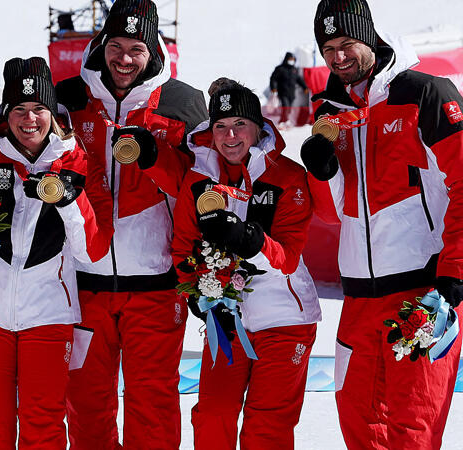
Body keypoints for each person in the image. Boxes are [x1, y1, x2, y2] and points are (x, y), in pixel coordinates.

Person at [301, 0, 463, 448]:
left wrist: (453, 276)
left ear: (369, 36)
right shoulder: (329, 111)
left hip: (421, 290)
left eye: (346, 43)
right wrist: (324, 172)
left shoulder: (426, 94)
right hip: (358, 300)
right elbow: (336, 212)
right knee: (359, 428)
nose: (337, 57)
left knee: (412, 432)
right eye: (327, 47)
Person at [55, 0, 208, 447]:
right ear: (102, 43)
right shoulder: (67, 98)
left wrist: (157, 159)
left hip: (156, 287)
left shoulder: (182, 102)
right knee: (85, 403)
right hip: (84, 285)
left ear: (153, 50)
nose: (123, 58)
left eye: (136, 48)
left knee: (153, 404)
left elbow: (204, 190)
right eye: (115, 45)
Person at [0, 57, 110, 449]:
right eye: (19, 109)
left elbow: (93, 252)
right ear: (5, 113)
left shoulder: (80, 164)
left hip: (49, 313)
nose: (29, 119)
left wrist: (69, 200)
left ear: (53, 113)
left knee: (44, 422)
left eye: (39, 109)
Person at [172, 78, 321, 450]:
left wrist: (251, 241)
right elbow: (181, 248)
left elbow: (287, 257)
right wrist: (196, 293)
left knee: (267, 426)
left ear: (259, 128)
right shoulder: (198, 179)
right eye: (220, 126)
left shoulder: (288, 176)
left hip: (284, 319)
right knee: (213, 416)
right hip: (227, 321)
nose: (230, 135)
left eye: (240, 124)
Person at [268, 52, 308, 127]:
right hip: (283, 92)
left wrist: (304, 87)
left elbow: (299, 79)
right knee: (285, 107)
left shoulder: (294, 69)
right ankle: (283, 122)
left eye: (292, 59)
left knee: (288, 109)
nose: (291, 61)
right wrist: (274, 88)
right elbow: (273, 79)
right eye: (290, 59)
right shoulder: (280, 69)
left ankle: (283, 121)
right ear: (286, 59)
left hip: (291, 93)